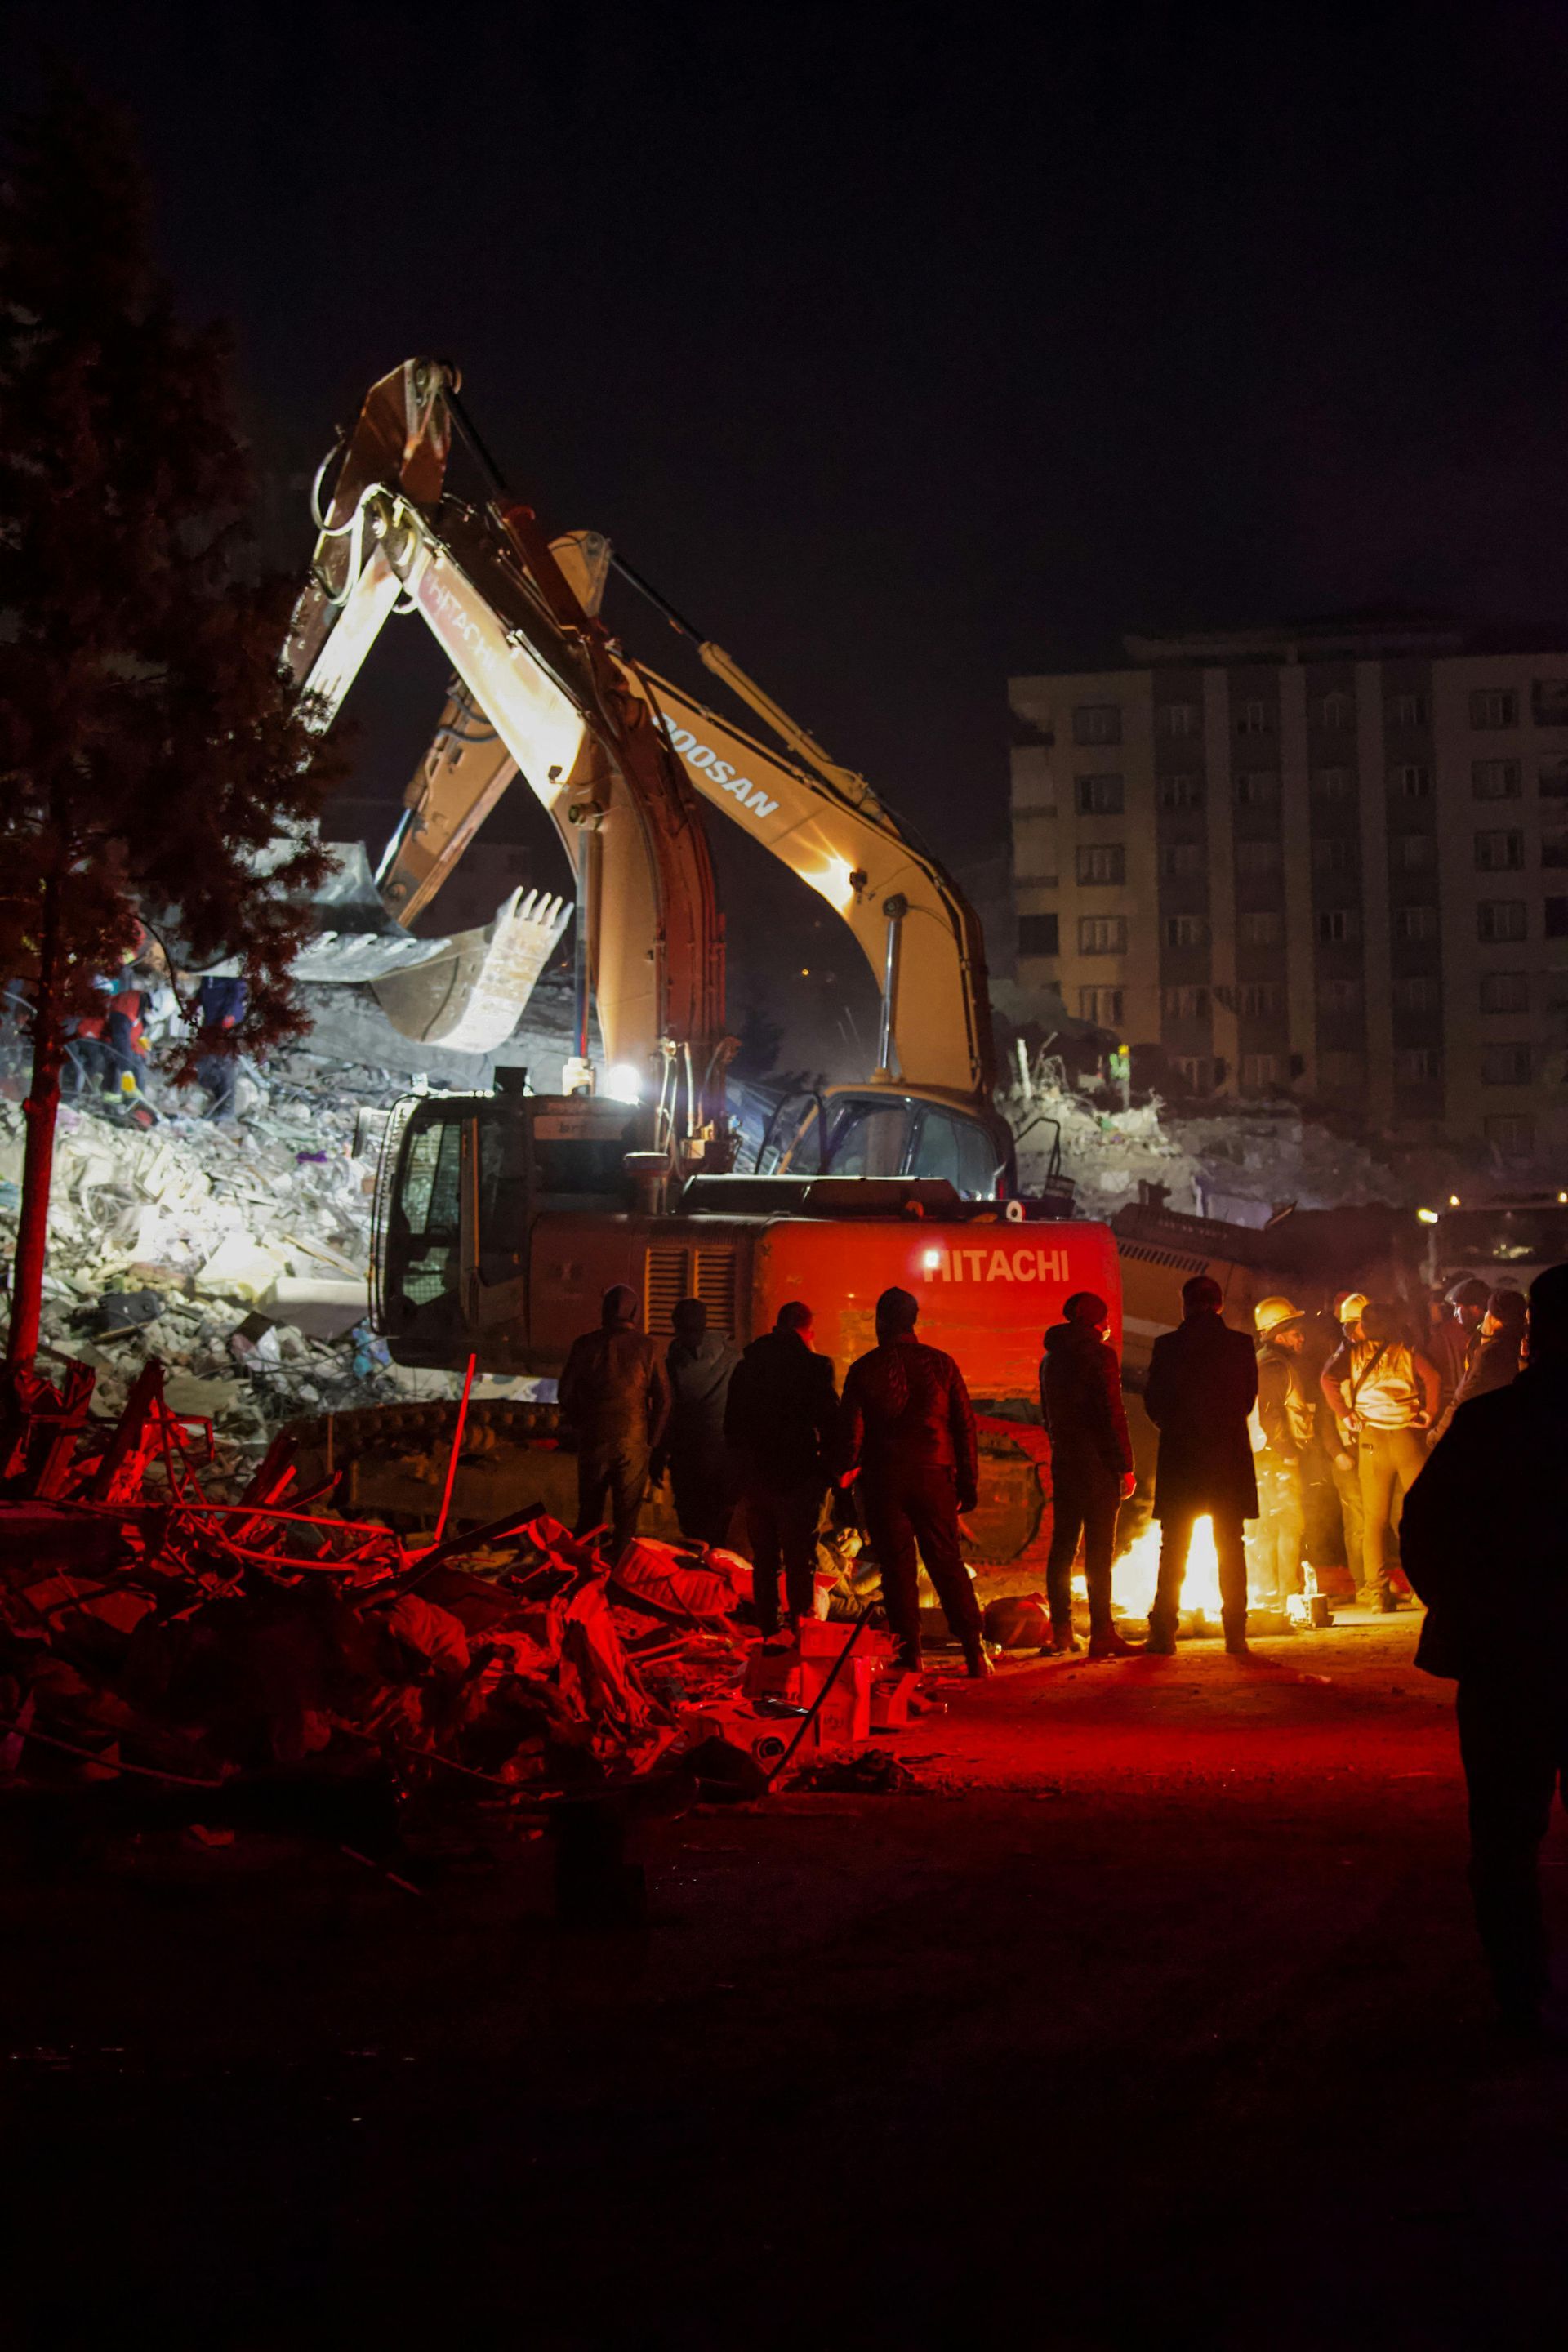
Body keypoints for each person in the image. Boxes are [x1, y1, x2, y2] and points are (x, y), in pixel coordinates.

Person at [1401, 1263, 1568, 2038]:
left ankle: (1521, 1996)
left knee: (1504, 1840)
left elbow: (1424, 1530)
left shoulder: (1491, 1424)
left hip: (1508, 1663)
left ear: (1534, 1334)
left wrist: (1471, 1613)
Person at [837, 1285, 987, 1678]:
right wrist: (968, 1486)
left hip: (886, 1480)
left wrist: (844, 1476)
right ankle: (974, 1651)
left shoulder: (864, 1369)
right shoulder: (942, 1364)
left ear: (880, 1322)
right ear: (914, 1321)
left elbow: (851, 1436)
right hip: (935, 1475)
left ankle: (910, 1654)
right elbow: (964, 1428)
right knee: (946, 1562)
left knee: (897, 1568)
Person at [1143, 1275, 1258, 1657]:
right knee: (1231, 1545)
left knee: (1174, 1546)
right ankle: (1235, 1635)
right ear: (1220, 1304)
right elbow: (1246, 1401)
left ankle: (1163, 1633)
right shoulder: (1241, 1346)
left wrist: (1178, 1428)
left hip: (1182, 1458)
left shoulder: (1167, 1346)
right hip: (1228, 1459)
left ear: (1185, 1305)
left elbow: (1154, 1403)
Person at [724, 1300, 838, 1638]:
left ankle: (769, 1632)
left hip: (758, 1476)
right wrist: (829, 1473)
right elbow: (830, 1421)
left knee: (765, 1561)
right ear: (807, 1330)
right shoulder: (815, 1367)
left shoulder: (747, 1367)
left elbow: (732, 1426)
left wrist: (744, 1470)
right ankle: (801, 1630)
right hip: (799, 1477)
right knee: (800, 1560)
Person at [1321, 1300, 1439, 1611]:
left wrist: (1345, 1414)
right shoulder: (1407, 1351)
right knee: (1416, 1518)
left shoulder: (1352, 1353)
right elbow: (1434, 1379)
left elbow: (1326, 1380)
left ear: (1365, 1325)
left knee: (1373, 1522)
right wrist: (1429, 1413)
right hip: (1406, 1438)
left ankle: (1377, 1595)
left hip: (1371, 1440)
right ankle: (1422, 1590)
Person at [1038, 1291, 1137, 1659]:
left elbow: (1048, 1415)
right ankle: (1102, 1633)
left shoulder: (1050, 1359)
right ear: (1097, 1322)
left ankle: (1062, 1631)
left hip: (1065, 1462)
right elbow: (1113, 1414)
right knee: (1098, 1551)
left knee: (1063, 1547)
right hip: (1098, 1466)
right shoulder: (1100, 1355)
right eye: (1106, 1320)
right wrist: (1125, 1466)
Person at [558, 1285, 672, 1560]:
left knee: (588, 1517)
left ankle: (583, 1575)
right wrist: (651, 1443)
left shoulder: (584, 1344)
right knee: (626, 1520)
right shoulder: (648, 1347)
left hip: (594, 1437)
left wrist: (581, 1423)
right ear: (635, 1312)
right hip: (633, 1441)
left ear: (604, 1310)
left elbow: (565, 1393)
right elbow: (664, 1399)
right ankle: (620, 1577)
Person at [653, 1296, 740, 1547]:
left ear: (675, 1326)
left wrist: (658, 1455)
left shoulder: (671, 1365)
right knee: (721, 1522)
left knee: (692, 1526)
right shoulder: (732, 1358)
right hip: (724, 1454)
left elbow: (667, 1412)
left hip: (687, 1456)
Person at [1250, 1295, 1312, 1610]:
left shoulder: (1265, 1360)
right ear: (1278, 1335)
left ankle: (1270, 1590)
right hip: (1275, 1458)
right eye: (1295, 1333)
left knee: (1267, 1526)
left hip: (1264, 1457)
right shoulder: (1274, 1366)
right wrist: (1288, 1451)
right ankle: (1287, 1590)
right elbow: (1269, 1414)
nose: (1301, 1338)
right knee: (1288, 1523)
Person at [1321, 1292, 1369, 1586]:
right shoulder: (1338, 1362)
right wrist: (1336, 1451)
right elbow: (1326, 1413)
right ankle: (1365, 1584)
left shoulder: (1373, 1356)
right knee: (1359, 1523)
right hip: (1349, 1453)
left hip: (1372, 1449)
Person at [1442, 1287, 1526, 1423]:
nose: (1455, 1314)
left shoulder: (1488, 1350)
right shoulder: (1524, 1341)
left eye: (1458, 1307)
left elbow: (1467, 1393)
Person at [1427, 1276, 1490, 1423]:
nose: (1455, 1314)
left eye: (1458, 1307)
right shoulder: (1481, 1334)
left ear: (1475, 1308)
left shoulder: (1478, 1338)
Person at [194, 973, 248, 1120]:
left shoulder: (226, 967)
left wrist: (230, 1014)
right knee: (206, 1061)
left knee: (225, 1064)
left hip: (227, 1022)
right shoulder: (208, 973)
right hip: (211, 1022)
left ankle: (227, 1109)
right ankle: (213, 1104)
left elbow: (239, 988)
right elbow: (206, 990)